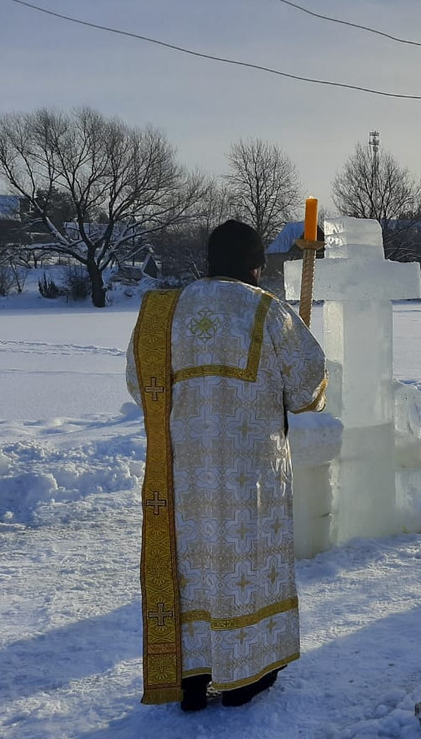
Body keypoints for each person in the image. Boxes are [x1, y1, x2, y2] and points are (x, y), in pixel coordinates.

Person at [126, 219, 328, 711]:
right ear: (256, 265)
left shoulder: (160, 313)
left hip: (181, 476)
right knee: (244, 570)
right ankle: (244, 678)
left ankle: (192, 677)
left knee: (192, 569)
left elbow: (139, 387)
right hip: (250, 478)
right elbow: (307, 390)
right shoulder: (267, 310)